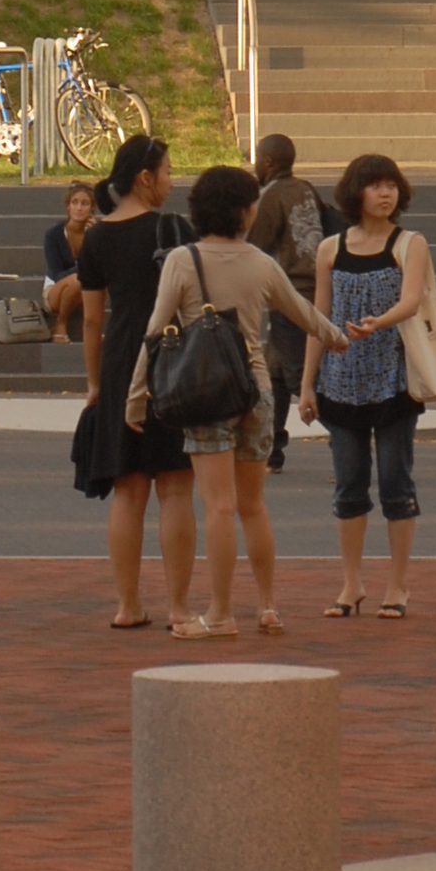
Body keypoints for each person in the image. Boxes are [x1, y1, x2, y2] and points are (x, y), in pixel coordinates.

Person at [126, 162, 345, 640]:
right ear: (246, 212)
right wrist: (336, 337)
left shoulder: (184, 261)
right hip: (257, 391)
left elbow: (155, 332)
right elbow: (302, 312)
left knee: (219, 507)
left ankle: (221, 612)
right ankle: (267, 605)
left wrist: (137, 396)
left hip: (205, 393)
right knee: (253, 506)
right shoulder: (262, 263)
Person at [76, 134, 201, 632]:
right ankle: (178, 607)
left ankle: (127, 606)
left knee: (128, 491)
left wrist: (94, 383)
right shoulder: (174, 230)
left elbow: (91, 321)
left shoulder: (97, 237)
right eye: (167, 171)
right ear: (145, 177)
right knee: (175, 487)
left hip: (121, 361)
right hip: (174, 359)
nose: (172, 181)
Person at [301, 155, 431, 617]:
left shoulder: (409, 243)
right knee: (349, 487)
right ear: (355, 192)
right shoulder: (330, 249)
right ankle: (351, 584)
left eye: (391, 185)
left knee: (397, 484)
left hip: (394, 381)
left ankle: (397, 586)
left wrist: (377, 324)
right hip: (339, 383)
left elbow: (412, 301)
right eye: (375, 185)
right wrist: (307, 385)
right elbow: (320, 317)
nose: (385, 193)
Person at [246, 133, 339, 473]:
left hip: (290, 293)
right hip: (318, 287)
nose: (255, 163)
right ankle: (271, 452)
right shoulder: (306, 188)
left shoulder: (269, 196)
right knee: (274, 372)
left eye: (257, 158)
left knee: (302, 376)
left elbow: (253, 247)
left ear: (268, 162)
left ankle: (348, 441)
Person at [41, 181, 100, 342]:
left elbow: (102, 268)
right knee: (77, 280)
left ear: (91, 209)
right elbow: (57, 274)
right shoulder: (53, 235)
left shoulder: (96, 233)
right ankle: (60, 324)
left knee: (93, 282)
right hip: (55, 290)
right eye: (75, 203)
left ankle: (91, 327)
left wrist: (93, 239)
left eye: (85, 203)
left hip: (86, 290)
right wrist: (82, 269)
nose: (79, 208)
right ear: (68, 206)